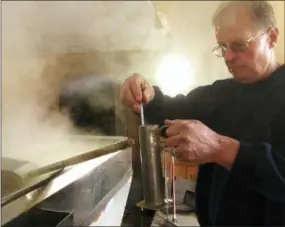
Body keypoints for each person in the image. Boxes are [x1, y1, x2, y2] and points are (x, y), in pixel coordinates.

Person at [120, 1, 285, 226]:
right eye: (222, 47)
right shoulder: (221, 94)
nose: (228, 57)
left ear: (272, 37)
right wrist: (147, 95)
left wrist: (220, 148)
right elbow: (172, 110)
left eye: (239, 45)